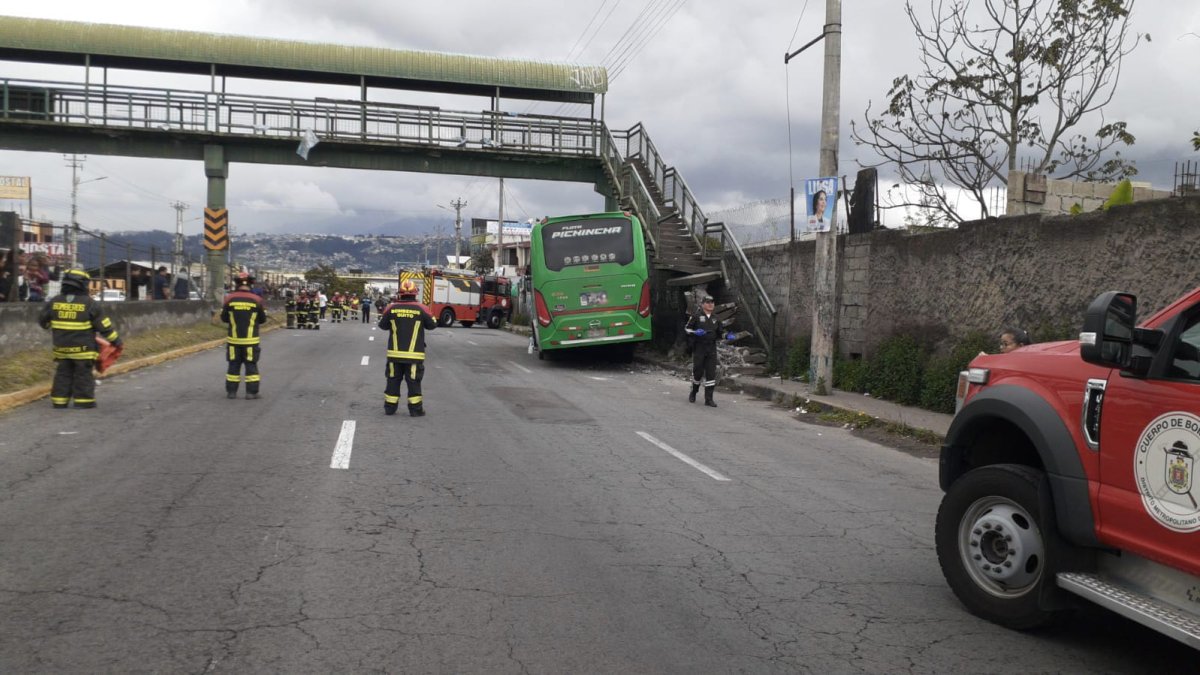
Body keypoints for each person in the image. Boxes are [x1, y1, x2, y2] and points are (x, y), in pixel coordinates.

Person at [38, 268, 123, 409]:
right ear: (83, 285)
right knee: (83, 374)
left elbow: (43, 322)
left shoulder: (54, 301)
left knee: (63, 373)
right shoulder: (89, 303)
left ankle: (59, 401)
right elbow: (104, 326)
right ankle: (84, 401)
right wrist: (116, 341)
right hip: (83, 349)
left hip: (61, 348)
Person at [377, 279, 437, 416]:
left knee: (393, 380)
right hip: (414, 355)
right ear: (415, 294)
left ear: (400, 294)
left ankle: (390, 408)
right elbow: (433, 325)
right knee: (413, 382)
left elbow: (382, 325)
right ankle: (415, 410)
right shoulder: (422, 308)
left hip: (395, 354)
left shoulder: (391, 308)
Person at [220, 272, 268, 399]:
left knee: (233, 365)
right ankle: (251, 393)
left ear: (237, 284)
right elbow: (263, 320)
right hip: (251, 341)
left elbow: (224, 318)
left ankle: (231, 392)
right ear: (251, 284)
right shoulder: (257, 300)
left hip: (234, 341)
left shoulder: (229, 298)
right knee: (251, 366)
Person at [684, 293, 735, 407]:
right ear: (702, 304)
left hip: (711, 348)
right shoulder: (696, 316)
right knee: (698, 372)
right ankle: (694, 391)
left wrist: (727, 336)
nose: (710, 304)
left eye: (712, 302)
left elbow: (720, 333)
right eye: (708, 302)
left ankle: (709, 399)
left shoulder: (716, 318)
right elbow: (687, 329)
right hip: (699, 347)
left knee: (711, 374)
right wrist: (695, 332)